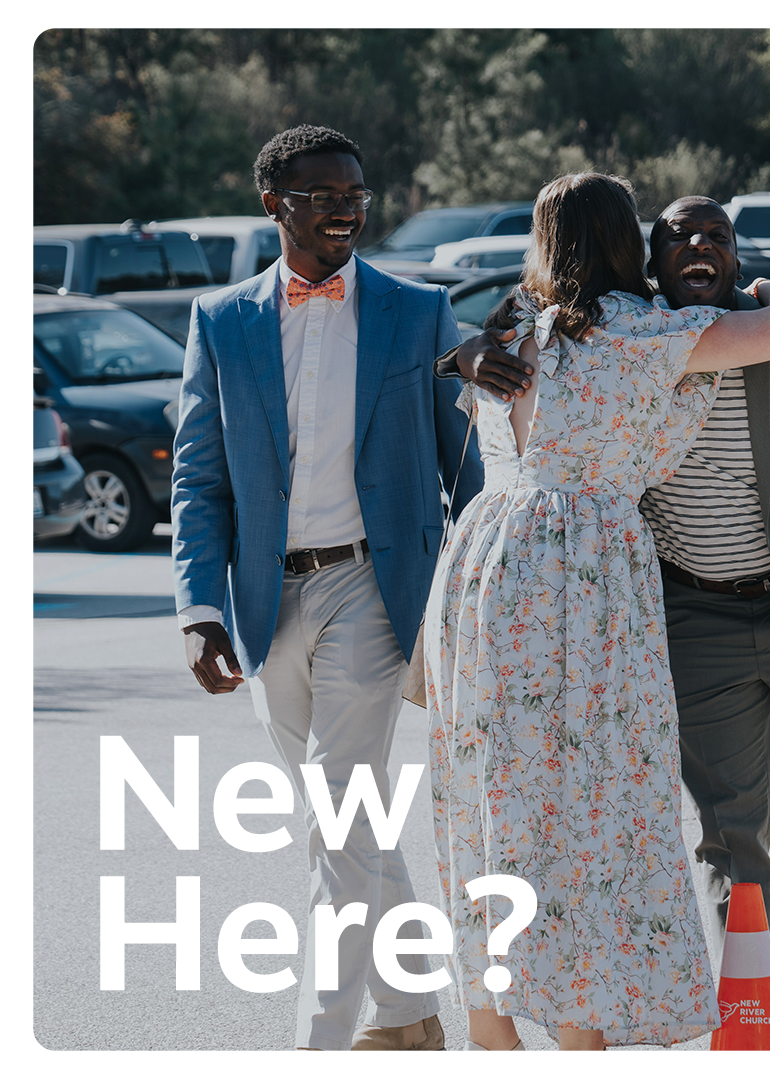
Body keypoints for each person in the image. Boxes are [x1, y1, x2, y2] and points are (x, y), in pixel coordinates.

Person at [452, 195, 770, 1052]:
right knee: (730, 843)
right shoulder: (630, 340)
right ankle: (757, 1023)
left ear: (735, 254)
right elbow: (525, 340)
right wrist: (465, 352)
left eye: (715, 234)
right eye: (676, 236)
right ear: (648, 265)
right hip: (694, 619)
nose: (699, 245)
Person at [426, 173, 770, 1050]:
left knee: (493, 798)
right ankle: (582, 1035)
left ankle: (490, 1028)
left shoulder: (506, 333)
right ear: (624, 242)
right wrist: (761, 284)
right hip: (586, 577)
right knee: (598, 804)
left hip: (485, 563)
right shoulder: (643, 335)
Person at [171, 124, 483, 1052]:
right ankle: (410, 1014)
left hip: (375, 591)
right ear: (275, 203)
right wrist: (199, 608)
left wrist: (475, 592)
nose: (346, 208)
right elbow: (198, 477)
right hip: (268, 604)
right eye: (323, 195)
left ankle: (321, 1041)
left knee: (340, 810)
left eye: (357, 194)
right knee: (339, 820)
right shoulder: (220, 321)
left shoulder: (418, 313)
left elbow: (463, 463)